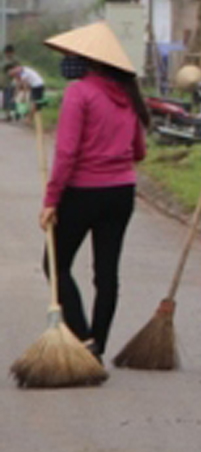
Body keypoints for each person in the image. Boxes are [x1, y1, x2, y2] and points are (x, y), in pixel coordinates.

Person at [36, 22, 150, 361]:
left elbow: (67, 152)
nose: (70, 60)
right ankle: (97, 344)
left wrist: (51, 200)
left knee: (54, 264)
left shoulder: (79, 92)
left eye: (75, 55)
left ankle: (83, 336)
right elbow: (139, 150)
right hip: (121, 193)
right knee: (107, 273)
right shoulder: (127, 95)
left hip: (82, 192)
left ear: (90, 60)